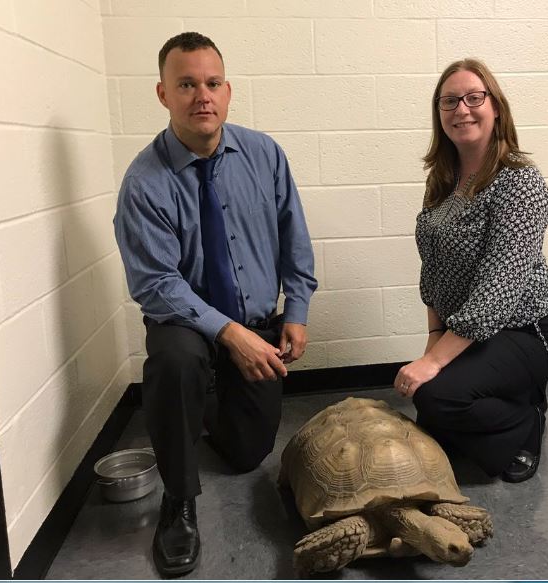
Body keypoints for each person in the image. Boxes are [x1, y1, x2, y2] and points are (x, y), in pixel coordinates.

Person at [113, 32, 316, 576]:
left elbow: (293, 234)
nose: (201, 95)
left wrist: (295, 309)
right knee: (177, 362)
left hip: (255, 320)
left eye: (212, 83)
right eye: (186, 84)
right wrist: (228, 334)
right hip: (186, 325)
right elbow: (156, 283)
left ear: (228, 91)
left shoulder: (264, 153)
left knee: (248, 454)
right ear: (163, 94)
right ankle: (177, 502)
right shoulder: (143, 182)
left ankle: (205, 400)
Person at [393, 58, 548, 483]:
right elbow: (431, 271)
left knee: (438, 399)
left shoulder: (519, 182)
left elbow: (498, 293)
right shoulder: (444, 180)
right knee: (428, 402)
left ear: (496, 108)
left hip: (527, 329)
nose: (462, 109)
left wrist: (434, 362)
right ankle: (509, 403)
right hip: (467, 331)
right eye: (449, 101)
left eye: (474, 98)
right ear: (439, 115)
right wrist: (433, 340)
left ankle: (526, 418)